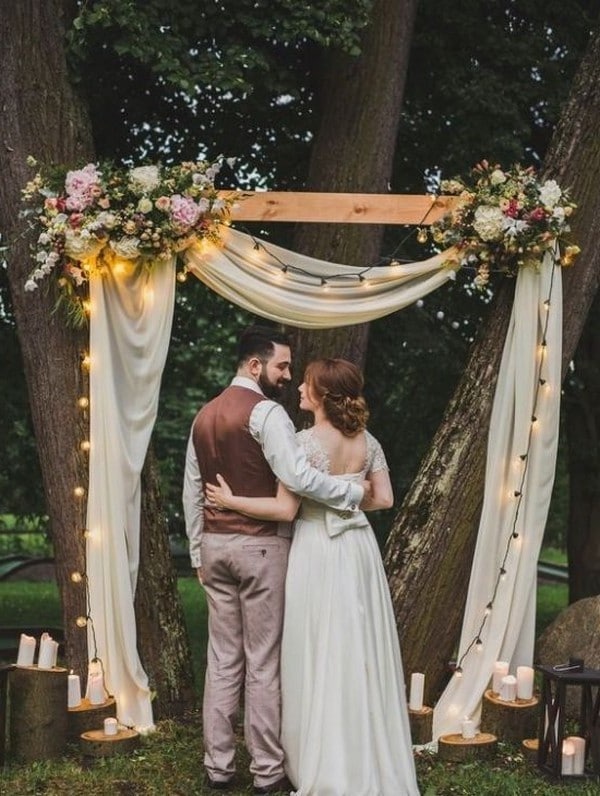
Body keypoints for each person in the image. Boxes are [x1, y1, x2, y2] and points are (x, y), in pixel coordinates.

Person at [206, 358, 420, 796]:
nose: (299, 390)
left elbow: (285, 510)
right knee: (359, 647)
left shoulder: (302, 444)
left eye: (305, 385)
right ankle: (368, 752)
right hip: (358, 550)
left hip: (317, 550)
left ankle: (321, 758)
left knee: (316, 648)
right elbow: (384, 498)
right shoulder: (368, 440)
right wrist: (350, 500)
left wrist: (233, 500)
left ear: (321, 394)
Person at [183, 327, 366, 795]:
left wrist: (197, 550)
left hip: (217, 549)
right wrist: (351, 491)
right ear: (254, 366)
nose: (287, 375)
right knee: (262, 662)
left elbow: (191, 491)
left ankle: (218, 768)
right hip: (262, 547)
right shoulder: (267, 414)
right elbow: (297, 476)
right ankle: (267, 772)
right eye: (282, 366)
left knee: (222, 659)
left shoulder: (202, 416)